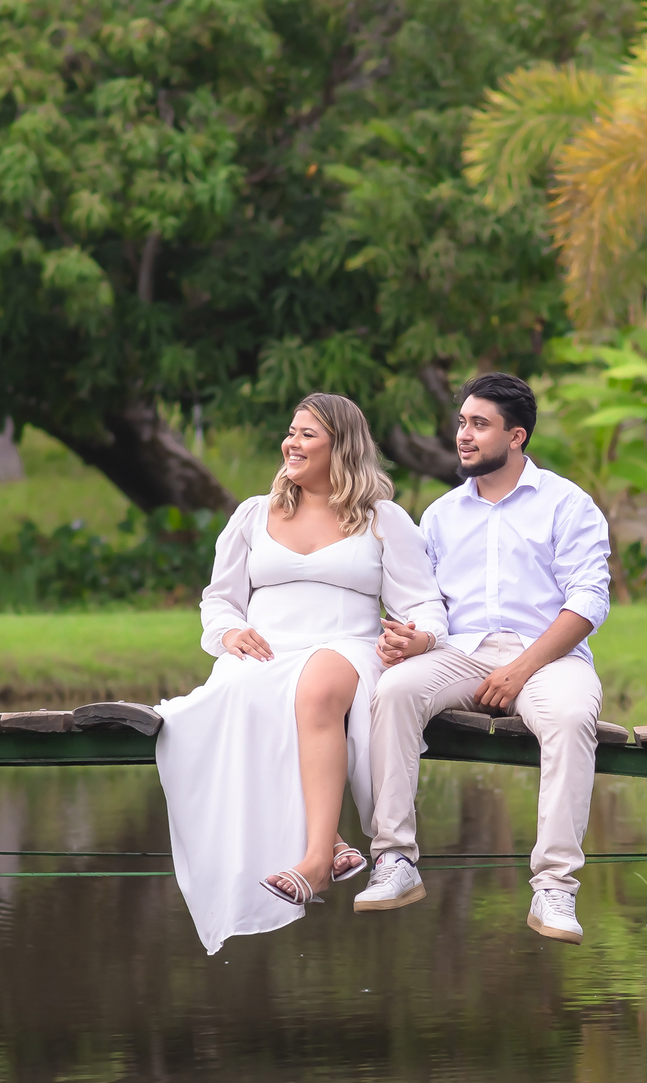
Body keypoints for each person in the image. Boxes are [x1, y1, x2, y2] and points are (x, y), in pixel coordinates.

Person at [156, 394, 447, 956]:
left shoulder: (383, 519)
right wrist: (228, 634)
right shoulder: (252, 514)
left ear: (342, 446)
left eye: (307, 434)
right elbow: (218, 602)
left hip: (347, 645)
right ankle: (330, 841)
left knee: (314, 689)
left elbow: (426, 606)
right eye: (291, 432)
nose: (291, 443)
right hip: (266, 649)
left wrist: (419, 638)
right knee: (233, 695)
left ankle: (315, 863)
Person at [354, 372, 611, 946]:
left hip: (549, 656)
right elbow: (430, 603)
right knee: (393, 691)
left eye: (479, 424)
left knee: (571, 719)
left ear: (516, 436)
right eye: (462, 422)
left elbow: (589, 602)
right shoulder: (442, 514)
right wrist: (419, 639)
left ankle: (555, 888)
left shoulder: (568, 505)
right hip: (460, 654)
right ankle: (395, 860)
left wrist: (521, 669)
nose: (463, 435)